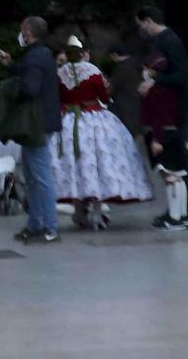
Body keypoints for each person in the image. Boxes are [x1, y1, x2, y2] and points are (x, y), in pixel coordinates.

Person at [51, 35, 155, 228]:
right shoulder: (92, 71)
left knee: (74, 165)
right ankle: (98, 212)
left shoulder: (60, 73)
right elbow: (105, 97)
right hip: (94, 120)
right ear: (83, 53)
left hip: (68, 121)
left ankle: (79, 210)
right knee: (98, 163)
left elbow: (58, 98)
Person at [136, 6, 188, 222]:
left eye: (141, 25)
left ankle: (187, 209)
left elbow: (180, 76)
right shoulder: (159, 42)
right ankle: (181, 208)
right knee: (175, 162)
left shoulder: (170, 41)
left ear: (148, 21)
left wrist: (154, 82)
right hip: (166, 109)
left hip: (174, 110)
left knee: (178, 162)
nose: (141, 30)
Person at [3, 15, 62, 242]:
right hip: (41, 123)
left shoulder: (35, 56)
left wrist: (14, 90)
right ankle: (36, 223)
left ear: (28, 32)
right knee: (33, 176)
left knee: (41, 176)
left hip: (36, 124)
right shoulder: (41, 54)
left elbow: (31, 86)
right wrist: (13, 66)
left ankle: (49, 226)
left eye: (22, 30)